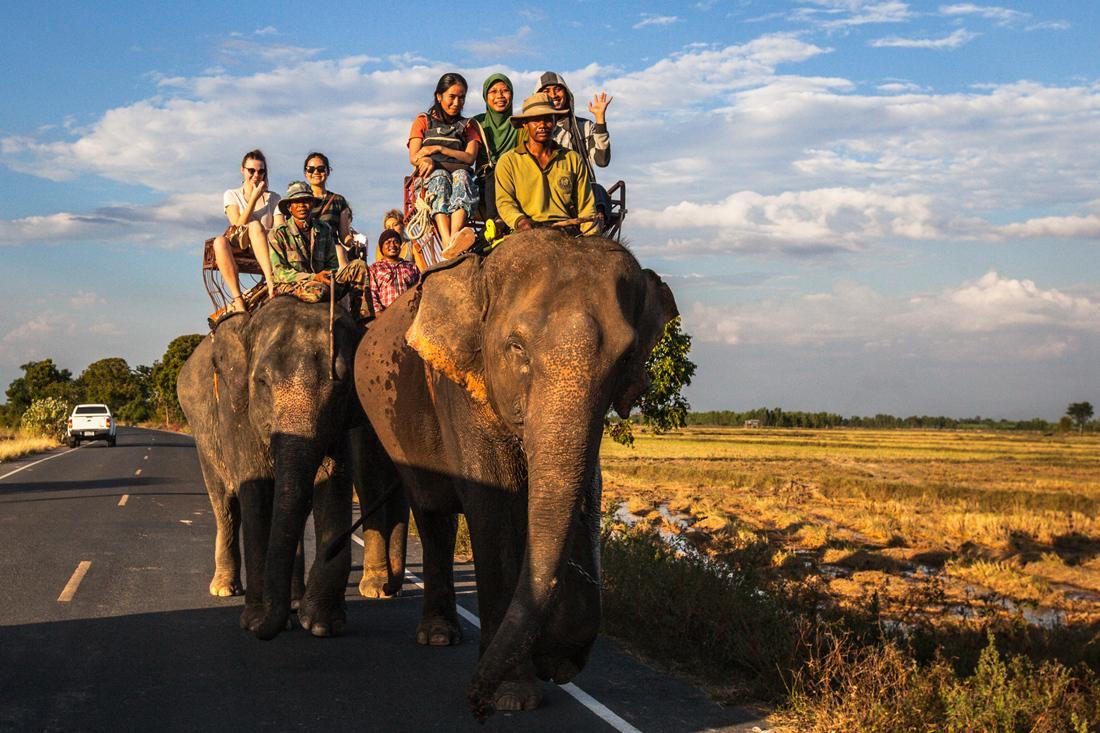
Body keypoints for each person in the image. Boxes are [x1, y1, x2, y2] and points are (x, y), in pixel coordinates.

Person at [494, 93, 598, 237]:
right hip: (525, 230)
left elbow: (586, 205)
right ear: (525, 124)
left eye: (548, 119)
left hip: (565, 230)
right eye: (535, 120)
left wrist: (591, 238)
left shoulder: (573, 159)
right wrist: (520, 221)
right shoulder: (508, 161)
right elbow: (505, 203)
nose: (542, 125)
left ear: (555, 122)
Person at [268, 181, 373, 322]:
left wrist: (327, 276)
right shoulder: (277, 235)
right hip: (294, 287)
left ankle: (361, 320)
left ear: (312, 204)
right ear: (289, 207)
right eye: (297, 202)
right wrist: (314, 277)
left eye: (306, 201)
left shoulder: (324, 229)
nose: (302, 206)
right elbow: (280, 274)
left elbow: (333, 265)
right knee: (318, 291)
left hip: (324, 283)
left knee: (359, 267)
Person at [408, 72, 480, 257]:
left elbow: (470, 157)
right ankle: (448, 240)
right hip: (432, 179)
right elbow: (414, 156)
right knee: (440, 177)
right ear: (439, 96)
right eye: (452, 97)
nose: (457, 103)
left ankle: (454, 239)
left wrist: (438, 148)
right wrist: (425, 159)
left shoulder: (468, 125)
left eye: (461, 98)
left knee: (461, 177)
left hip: (459, 178)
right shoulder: (423, 121)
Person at [213, 149, 283, 312]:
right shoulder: (232, 194)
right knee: (219, 241)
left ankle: (270, 280)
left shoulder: (274, 198)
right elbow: (237, 224)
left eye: (261, 171)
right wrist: (254, 198)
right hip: (241, 238)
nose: (256, 175)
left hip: (265, 241)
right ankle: (237, 299)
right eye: (251, 170)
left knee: (256, 226)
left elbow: (279, 227)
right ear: (242, 170)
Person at [534, 71, 612, 174]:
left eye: (558, 89)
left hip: (580, 187)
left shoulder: (584, 127)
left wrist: (600, 119)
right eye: (546, 91)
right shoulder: (531, 128)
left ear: (566, 94)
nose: (553, 95)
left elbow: (602, 160)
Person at [472, 73, 518, 221]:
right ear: (486, 97)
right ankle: (494, 224)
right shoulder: (477, 123)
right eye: (493, 91)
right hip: (487, 179)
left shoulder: (520, 124)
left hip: (515, 176)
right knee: (493, 174)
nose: (500, 96)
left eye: (505, 90)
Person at [303, 151, 354, 253]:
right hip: (305, 250)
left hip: (331, 251)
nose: (316, 172)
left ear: (328, 172)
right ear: (306, 173)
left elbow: (344, 235)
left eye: (321, 169)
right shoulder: (299, 200)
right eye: (311, 169)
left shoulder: (338, 201)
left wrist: (353, 243)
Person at [368, 229, 420, 314]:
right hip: (386, 315)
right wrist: (379, 313)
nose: (392, 245)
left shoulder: (411, 266)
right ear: (381, 248)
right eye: (387, 242)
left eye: (396, 242)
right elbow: (372, 293)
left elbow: (419, 288)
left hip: (410, 311)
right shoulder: (374, 268)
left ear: (400, 245)